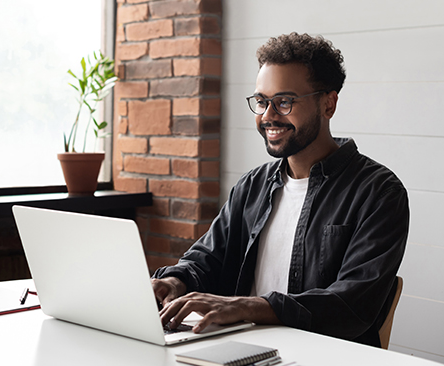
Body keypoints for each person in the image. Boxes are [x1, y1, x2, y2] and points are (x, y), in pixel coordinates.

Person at [152, 32, 409, 347]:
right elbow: (208, 259)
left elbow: (351, 304)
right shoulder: (252, 185)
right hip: (240, 348)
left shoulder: (378, 192)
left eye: (284, 101)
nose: (268, 116)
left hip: (321, 354)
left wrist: (248, 306)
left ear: (328, 104)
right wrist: (174, 282)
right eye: (261, 101)